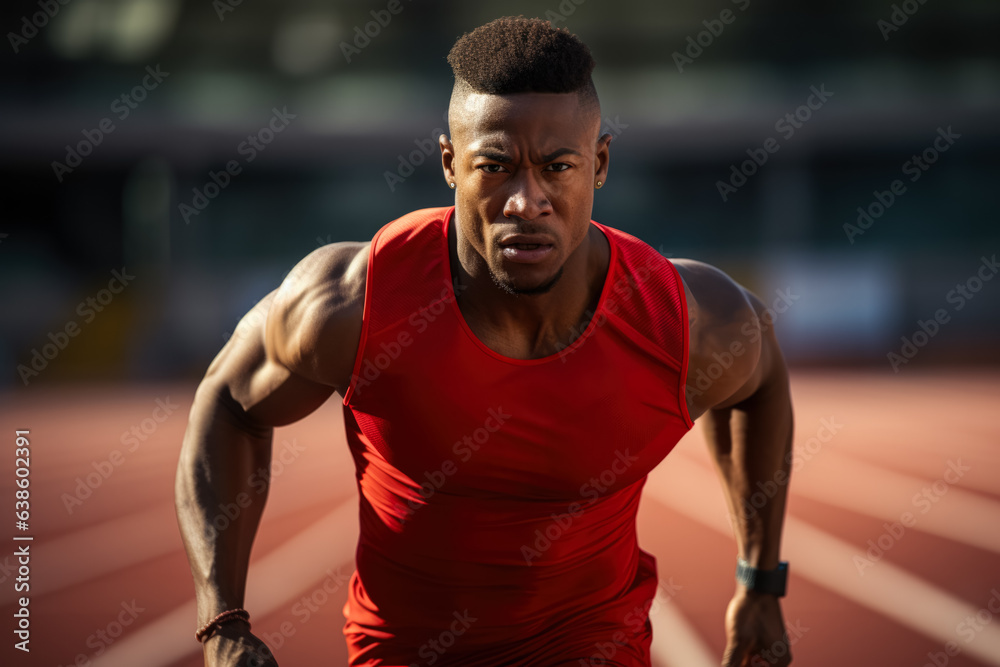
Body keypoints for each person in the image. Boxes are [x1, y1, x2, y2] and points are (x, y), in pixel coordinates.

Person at [174, 16, 794, 667]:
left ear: (600, 163)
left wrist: (759, 583)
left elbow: (761, 381)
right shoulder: (353, 303)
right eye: (495, 167)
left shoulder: (682, 322)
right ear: (450, 163)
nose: (528, 201)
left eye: (558, 167)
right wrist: (222, 619)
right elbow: (228, 402)